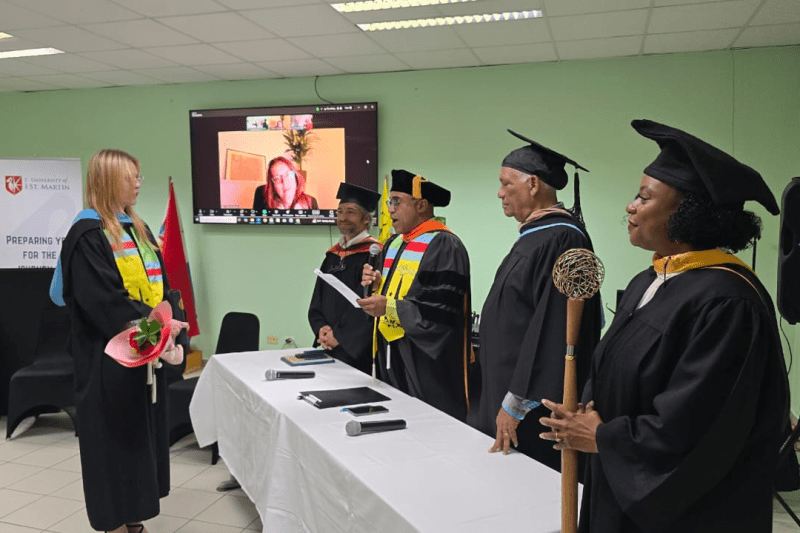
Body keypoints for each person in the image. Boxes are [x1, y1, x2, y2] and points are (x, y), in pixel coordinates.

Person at [539, 119, 792, 532]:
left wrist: (603, 438)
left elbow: (699, 428)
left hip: (685, 516)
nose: (630, 206)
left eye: (643, 197)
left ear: (688, 213)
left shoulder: (727, 303)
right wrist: (585, 412)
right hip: (616, 491)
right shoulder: (649, 281)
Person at [50, 149, 187, 533]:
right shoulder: (88, 234)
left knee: (138, 443)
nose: (139, 183)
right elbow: (104, 302)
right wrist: (157, 328)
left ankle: (134, 518)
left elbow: (162, 287)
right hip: (108, 363)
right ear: (109, 181)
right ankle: (114, 524)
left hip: (145, 361)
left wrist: (172, 324)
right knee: (112, 447)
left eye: (138, 176)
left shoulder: (138, 229)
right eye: (131, 177)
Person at [471, 130, 602, 471]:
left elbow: (554, 329)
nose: (500, 193)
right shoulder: (537, 235)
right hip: (505, 388)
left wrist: (515, 404)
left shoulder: (562, 238)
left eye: (505, 183)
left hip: (531, 408)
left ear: (532, 184)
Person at [359, 169, 472, 421]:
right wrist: (375, 287)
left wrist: (389, 307)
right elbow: (392, 293)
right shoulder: (394, 243)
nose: (390, 209)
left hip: (424, 360)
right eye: (390, 202)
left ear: (421, 205)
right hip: (391, 352)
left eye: (397, 201)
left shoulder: (444, 244)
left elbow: (440, 312)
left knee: (425, 424)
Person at [308, 182, 382, 374]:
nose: (343, 217)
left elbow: (367, 304)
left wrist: (339, 336)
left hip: (357, 350)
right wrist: (321, 329)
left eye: (351, 212)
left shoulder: (373, 255)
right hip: (328, 345)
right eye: (340, 212)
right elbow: (318, 299)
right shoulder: (332, 256)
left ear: (366, 219)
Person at [252, 155, 318, 211]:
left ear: (295, 176)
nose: (284, 182)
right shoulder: (263, 200)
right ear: (273, 185)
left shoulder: (311, 202)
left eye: (288, 175)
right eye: (277, 178)